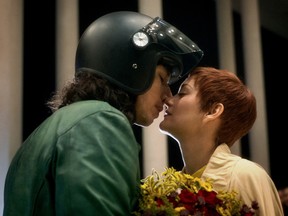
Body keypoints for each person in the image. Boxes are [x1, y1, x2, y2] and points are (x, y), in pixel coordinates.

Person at [3, 11, 203, 216]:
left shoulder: (66, 123)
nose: (167, 95)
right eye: (162, 79)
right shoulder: (99, 121)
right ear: (133, 68)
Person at [159, 66, 284, 215]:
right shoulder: (171, 189)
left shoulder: (245, 176)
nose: (168, 99)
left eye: (182, 93)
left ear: (213, 111)